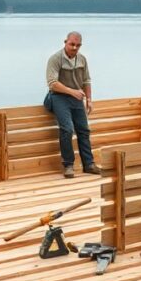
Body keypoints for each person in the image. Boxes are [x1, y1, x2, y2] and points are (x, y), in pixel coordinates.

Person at [45, 31, 101, 178]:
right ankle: (68, 165)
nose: (74, 47)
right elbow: (52, 84)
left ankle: (88, 164)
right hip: (59, 97)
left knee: (84, 130)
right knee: (67, 129)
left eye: (78, 45)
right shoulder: (55, 59)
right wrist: (72, 92)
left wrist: (89, 100)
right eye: (72, 44)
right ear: (65, 42)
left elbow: (86, 81)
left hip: (77, 97)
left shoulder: (82, 59)